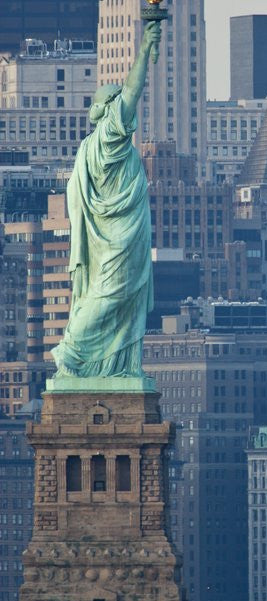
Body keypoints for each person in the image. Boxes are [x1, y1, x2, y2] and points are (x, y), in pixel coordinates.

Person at [52, 20, 161, 378]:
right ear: (110, 109)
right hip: (117, 238)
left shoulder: (92, 146)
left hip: (114, 235)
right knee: (110, 294)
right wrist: (144, 49)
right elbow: (132, 90)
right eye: (118, 104)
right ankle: (72, 352)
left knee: (117, 298)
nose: (128, 113)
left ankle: (111, 364)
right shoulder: (107, 138)